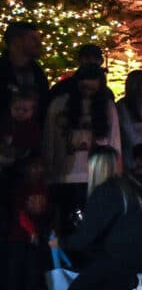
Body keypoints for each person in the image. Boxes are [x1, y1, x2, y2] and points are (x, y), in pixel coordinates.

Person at [49, 146, 142, 290]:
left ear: (96, 166)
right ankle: (128, 282)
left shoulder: (106, 192)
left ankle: (132, 282)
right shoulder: (131, 184)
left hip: (123, 257)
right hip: (141, 250)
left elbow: (85, 237)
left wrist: (60, 243)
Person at [41, 64, 120, 233]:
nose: (88, 93)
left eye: (93, 89)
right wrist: (48, 169)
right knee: (67, 225)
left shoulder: (107, 107)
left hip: (95, 175)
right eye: (84, 88)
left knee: (93, 225)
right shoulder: (59, 104)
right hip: (64, 174)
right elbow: (50, 137)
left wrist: (114, 172)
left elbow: (114, 141)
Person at [4, 159, 51, 290]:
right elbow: (20, 213)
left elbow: (46, 210)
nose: (38, 170)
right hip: (18, 233)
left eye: (40, 166)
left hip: (36, 232)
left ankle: (33, 289)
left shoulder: (43, 187)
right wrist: (31, 231)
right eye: (34, 166)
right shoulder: (21, 188)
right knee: (15, 263)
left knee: (34, 262)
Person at [0, 21, 49, 123]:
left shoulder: (38, 74)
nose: (39, 44)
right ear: (16, 40)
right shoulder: (3, 71)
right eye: (33, 39)